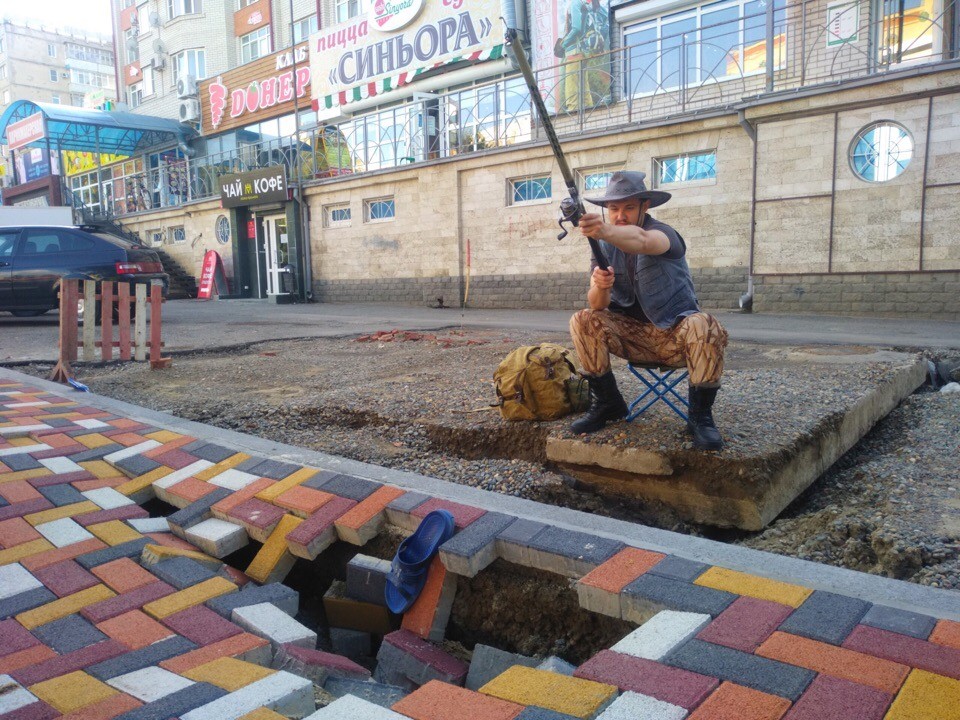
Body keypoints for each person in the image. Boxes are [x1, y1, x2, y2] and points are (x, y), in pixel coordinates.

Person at [568, 171, 729, 450]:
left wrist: (603, 230)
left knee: (704, 324)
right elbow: (598, 305)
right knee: (583, 319)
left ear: (645, 206)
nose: (620, 215)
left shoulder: (665, 234)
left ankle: (700, 418)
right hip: (632, 337)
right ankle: (608, 403)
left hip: (674, 336)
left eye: (629, 207)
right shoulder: (603, 246)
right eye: (614, 208)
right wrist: (600, 285)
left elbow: (642, 240)